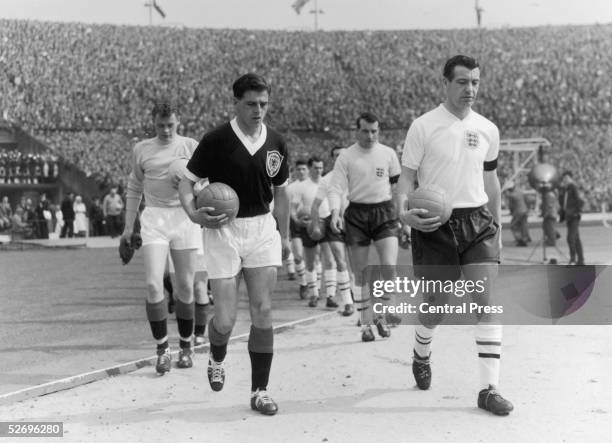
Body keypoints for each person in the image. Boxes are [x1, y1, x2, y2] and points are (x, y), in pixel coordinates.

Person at [398, 55, 513, 416]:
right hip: (435, 226)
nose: (470, 89)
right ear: (445, 83)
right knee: (435, 308)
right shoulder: (423, 126)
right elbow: (406, 178)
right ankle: (421, 350)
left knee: (486, 303)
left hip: (478, 221)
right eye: (462, 82)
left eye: (475, 82)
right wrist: (405, 215)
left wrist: (498, 226)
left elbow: (491, 182)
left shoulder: (488, 129)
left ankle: (489, 389)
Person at [179, 73, 290, 416]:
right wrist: (194, 215)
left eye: (264, 104)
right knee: (225, 320)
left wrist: (283, 237)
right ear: (236, 103)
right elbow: (186, 184)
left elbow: (282, 192)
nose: (259, 110)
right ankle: (217, 355)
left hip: (261, 229)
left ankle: (260, 391)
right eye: (251, 104)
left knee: (263, 310)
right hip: (223, 231)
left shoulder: (277, 142)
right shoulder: (216, 139)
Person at [121, 101, 202, 375]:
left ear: (178, 122)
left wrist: (194, 186)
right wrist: (127, 227)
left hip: (185, 216)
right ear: (153, 124)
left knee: (185, 288)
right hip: (155, 218)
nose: (166, 130)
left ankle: (187, 346)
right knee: (154, 286)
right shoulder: (142, 149)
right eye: (161, 125)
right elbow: (134, 187)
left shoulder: (190, 146)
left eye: (171, 125)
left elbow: (208, 184)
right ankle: (162, 349)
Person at [328, 112, 401, 342]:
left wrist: (404, 216)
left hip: (384, 212)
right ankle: (366, 324)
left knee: (389, 266)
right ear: (357, 130)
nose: (370, 135)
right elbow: (336, 188)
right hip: (357, 214)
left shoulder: (388, 154)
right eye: (365, 131)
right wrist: (335, 212)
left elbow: (399, 189)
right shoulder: (347, 157)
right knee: (361, 273)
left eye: (374, 131)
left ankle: (382, 314)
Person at [310, 146, 355, 316]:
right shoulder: (327, 180)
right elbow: (315, 206)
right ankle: (348, 303)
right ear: (332, 158)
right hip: (333, 222)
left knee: (356, 264)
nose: (340, 157)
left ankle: (354, 292)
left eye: (342, 155)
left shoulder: (357, 175)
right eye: (336, 155)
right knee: (340, 260)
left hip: (355, 221)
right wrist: (315, 225)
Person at [291, 156, 339, 309]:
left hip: (326, 223)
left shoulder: (328, 183)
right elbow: (293, 209)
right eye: (315, 167)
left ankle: (331, 295)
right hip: (309, 227)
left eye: (320, 167)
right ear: (310, 168)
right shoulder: (302, 187)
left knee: (330, 261)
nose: (318, 170)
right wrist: (297, 221)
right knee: (311, 263)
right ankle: (314, 295)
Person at [286, 159, 309, 298]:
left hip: (313, 222)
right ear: (295, 171)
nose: (301, 172)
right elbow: (288, 208)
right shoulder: (290, 188)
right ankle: (303, 283)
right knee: (299, 256)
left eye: (304, 169)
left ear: (308, 170)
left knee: (315, 258)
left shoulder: (316, 185)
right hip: (296, 224)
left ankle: (315, 289)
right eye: (298, 169)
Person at [558, 170, 585, 265]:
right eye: (564, 178)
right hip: (569, 216)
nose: (564, 180)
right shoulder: (567, 188)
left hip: (573, 216)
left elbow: (580, 201)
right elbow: (563, 203)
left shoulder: (573, 187)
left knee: (570, 238)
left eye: (566, 178)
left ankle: (573, 259)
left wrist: (576, 212)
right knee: (576, 238)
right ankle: (581, 260)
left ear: (571, 178)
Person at [506, 181, 531, 246]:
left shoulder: (511, 195)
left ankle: (520, 240)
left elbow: (511, 206)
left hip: (518, 212)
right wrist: (527, 208)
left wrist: (511, 212)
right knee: (524, 225)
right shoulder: (520, 191)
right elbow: (527, 200)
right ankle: (526, 238)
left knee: (513, 226)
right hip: (525, 210)